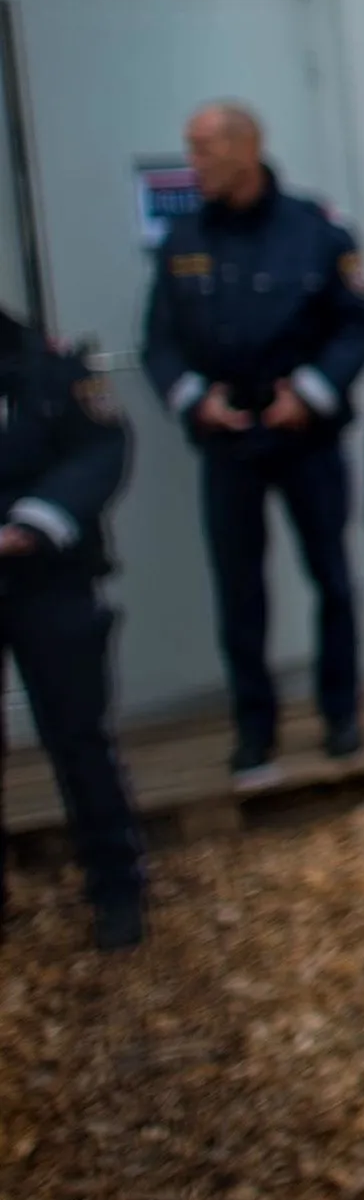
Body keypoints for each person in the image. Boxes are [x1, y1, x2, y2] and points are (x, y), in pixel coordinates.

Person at [140, 102, 364, 786]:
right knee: (240, 590)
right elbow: (158, 339)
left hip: (305, 436)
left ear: (247, 148)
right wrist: (193, 399)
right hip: (229, 440)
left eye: (205, 149)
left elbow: (359, 325)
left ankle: (342, 714)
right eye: (190, 149)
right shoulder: (183, 236)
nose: (195, 163)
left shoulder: (316, 231)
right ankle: (255, 733)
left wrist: (308, 393)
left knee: (332, 577)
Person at [0, 308, 144, 950]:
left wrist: (33, 523)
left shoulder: (46, 363)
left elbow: (102, 446)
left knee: (79, 739)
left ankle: (116, 887)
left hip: (47, 577)